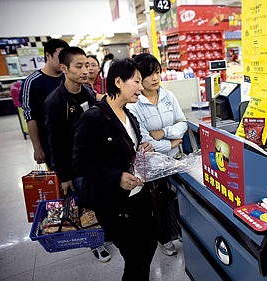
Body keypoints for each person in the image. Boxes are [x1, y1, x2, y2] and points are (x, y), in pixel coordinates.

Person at [73, 58, 158, 280]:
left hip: (138, 197)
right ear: (118, 81)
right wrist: (116, 177)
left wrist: (142, 148)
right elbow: (80, 163)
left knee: (148, 245)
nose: (141, 87)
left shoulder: (130, 116)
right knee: (135, 257)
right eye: (137, 81)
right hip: (114, 203)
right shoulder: (93, 118)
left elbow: (129, 149)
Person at [44, 46, 111, 263]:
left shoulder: (88, 92)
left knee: (101, 200)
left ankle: (106, 233)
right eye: (79, 66)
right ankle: (96, 244)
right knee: (86, 205)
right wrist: (63, 176)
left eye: (87, 65)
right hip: (76, 165)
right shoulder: (55, 102)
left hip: (97, 160)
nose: (85, 70)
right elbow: (56, 143)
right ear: (64, 68)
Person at [127, 53, 188, 256]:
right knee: (159, 202)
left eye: (158, 72)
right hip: (153, 165)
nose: (155, 78)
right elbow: (144, 142)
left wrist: (164, 133)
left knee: (179, 198)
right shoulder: (134, 104)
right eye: (149, 74)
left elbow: (182, 123)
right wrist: (171, 142)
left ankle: (181, 232)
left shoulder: (168, 96)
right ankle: (164, 239)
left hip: (175, 159)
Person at [20, 38, 69, 167]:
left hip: (73, 142)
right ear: (48, 56)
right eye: (61, 56)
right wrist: (37, 148)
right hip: (50, 144)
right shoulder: (33, 82)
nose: (64, 60)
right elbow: (30, 117)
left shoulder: (68, 77)